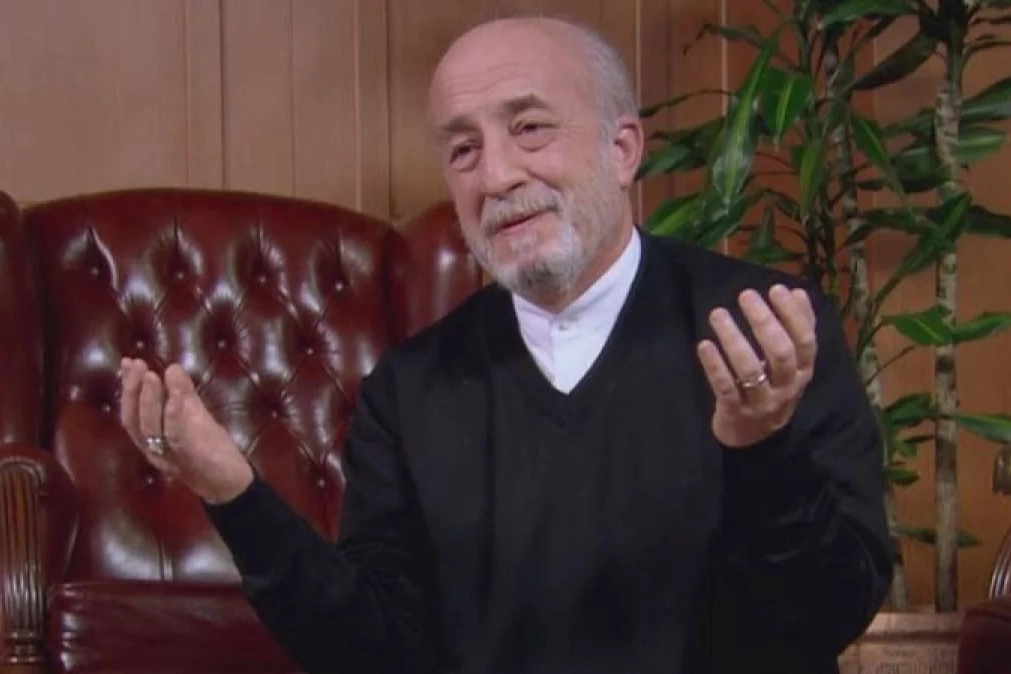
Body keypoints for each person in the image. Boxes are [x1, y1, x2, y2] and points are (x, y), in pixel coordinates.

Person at [118, 16, 892, 674]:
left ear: (622, 149)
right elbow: (372, 651)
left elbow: (825, 617)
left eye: (529, 129)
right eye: (462, 151)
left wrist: (761, 448)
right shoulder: (410, 390)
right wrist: (232, 492)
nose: (494, 176)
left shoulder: (762, 332)